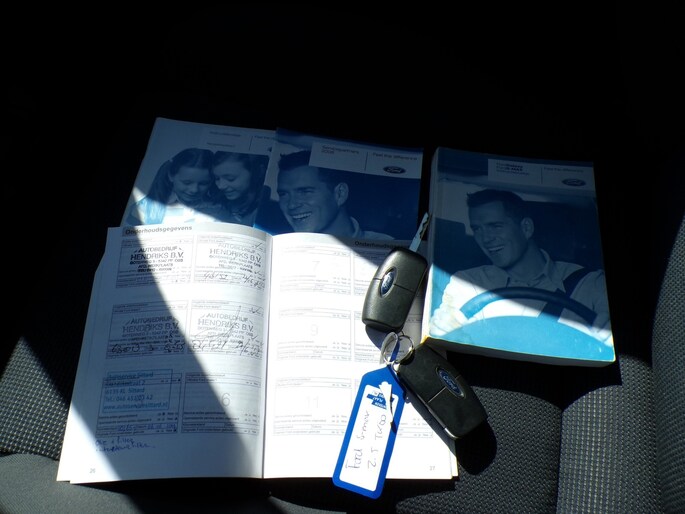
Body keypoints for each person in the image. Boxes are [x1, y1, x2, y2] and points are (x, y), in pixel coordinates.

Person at [429, 188, 612, 342]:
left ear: (526, 228)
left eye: (495, 226)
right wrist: (445, 326)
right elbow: (451, 319)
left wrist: (609, 331)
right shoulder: (468, 282)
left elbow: (607, 319)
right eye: (477, 229)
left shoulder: (589, 283)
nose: (485, 238)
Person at [275, 150, 393, 239]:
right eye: (284, 194)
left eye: (305, 192)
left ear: (340, 194)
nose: (291, 205)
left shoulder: (387, 247)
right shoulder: (277, 249)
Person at [125, 147, 223, 225]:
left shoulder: (219, 208)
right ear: (171, 176)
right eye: (187, 183)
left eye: (203, 183)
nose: (194, 190)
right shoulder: (144, 208)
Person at [211, 151, 270, 226]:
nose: (220, 186)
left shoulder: (263, 212)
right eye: (217, 178)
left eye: (230, 179)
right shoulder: (215, 203)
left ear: (257, 172)